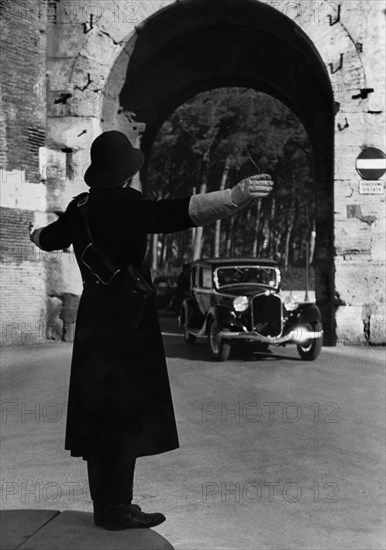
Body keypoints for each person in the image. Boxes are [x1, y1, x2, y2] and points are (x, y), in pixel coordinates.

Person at [29, 130, 273, 531]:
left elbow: (49, 238)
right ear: (127, 174)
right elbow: (179, 213)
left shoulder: (80, 207)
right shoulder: (130, 203)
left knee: (98, 416)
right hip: (129, 320)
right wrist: (234, 196)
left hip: (94, 322)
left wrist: (34, 234)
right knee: (124, 416)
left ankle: (104, 509)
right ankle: (120, 510)